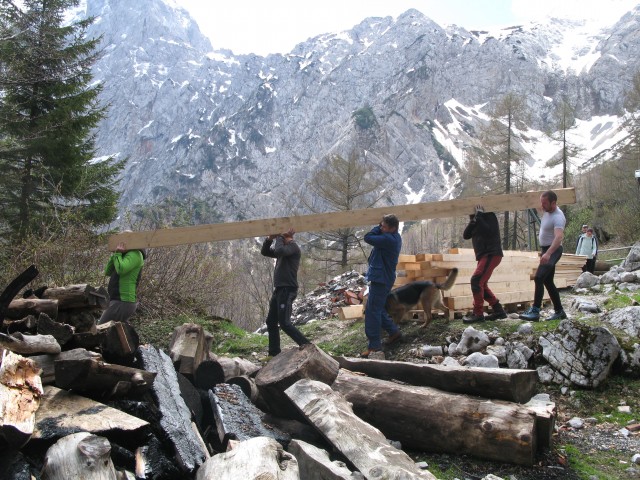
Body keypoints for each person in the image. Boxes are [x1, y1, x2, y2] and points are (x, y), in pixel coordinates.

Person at [261, 228, 310, 357]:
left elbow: (279, 250)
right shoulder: (283, 250)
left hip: (288, 289)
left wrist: (279, 238)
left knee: (285, 323)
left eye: (283, 236)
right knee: (271, 322)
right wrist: (269, 239)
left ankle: (308, 346)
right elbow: (265, 252)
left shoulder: (293, 247)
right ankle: (274, 353)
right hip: (279, 290)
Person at [520, 191, 567, 321]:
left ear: (553, 202)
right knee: (548, 281)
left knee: (539, 277)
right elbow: (538, 205)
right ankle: (559, 311)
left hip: (553, 250)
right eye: (541, 202)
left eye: (544, 203)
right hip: (546, 249)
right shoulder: (547, 210)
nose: (542, 205)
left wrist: (548, 253)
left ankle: (535, 311)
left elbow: (559, 237)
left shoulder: (558, 216)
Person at [361, 214, 402, 358]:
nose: (381, 228)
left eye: (384, 226)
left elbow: (367, 237)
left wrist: (377, 228)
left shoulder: (388, 239)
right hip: (383, 277)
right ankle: (393, 331)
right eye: (381, 225)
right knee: (377, 308)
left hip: (381, 278)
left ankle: (374, 346)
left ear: (392, 228)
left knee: (372, 311)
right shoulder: (392, 236)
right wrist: (381, 227)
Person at [462, 205, 507, 323]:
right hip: (484, 256)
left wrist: (480, 216)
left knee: (476, 281)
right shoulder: (476, 220)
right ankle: (499, 311)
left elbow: (488, 230)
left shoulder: (489, 217)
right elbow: (466, 235)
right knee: (481, 284)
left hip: (491, 254)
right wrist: (473, 221)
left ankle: (478, 314)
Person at [99, 240, 146, 324]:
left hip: (123, 301)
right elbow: (108, 271)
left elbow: (121, 269)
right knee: (115, 333)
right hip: (118, 300)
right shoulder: (123, 254)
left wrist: (118, 254)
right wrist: (115, 254)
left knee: (100, 329)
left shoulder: (135, 254)